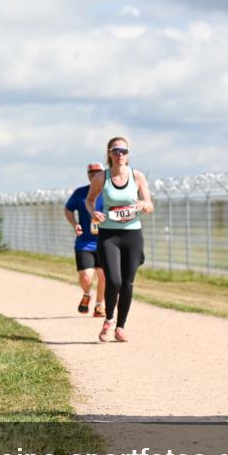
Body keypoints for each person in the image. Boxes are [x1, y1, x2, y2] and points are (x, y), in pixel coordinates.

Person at [85, 137, 153, 342]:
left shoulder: (137, 176)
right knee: (113, 280)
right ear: (109, 153)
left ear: (128, 154)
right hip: (109, 235)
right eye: (116, 151)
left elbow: (150, 204)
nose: (120, 154)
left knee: (128, 283)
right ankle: (109, 319)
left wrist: (143, 204)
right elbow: (89, 201)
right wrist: (92, 213)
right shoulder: (102, 178)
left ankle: (121, 327)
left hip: (132, 234)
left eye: (123, 151)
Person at [65, 163, 107, 317]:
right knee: (86, 276)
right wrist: (75, 224)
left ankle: (99, 305)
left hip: (105, 241)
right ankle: (87, 294)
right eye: (91, 172)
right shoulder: (80, 193)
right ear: (88, 174)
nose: (94, 175)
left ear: (103, 173)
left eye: (98, 172)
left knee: (104, 275)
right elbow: (68, 209)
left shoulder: (110, 193)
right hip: (85, 242)